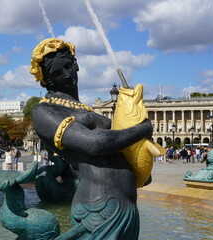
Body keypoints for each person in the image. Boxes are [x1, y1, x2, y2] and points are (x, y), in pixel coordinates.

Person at [30, 38, 153, 239]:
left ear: (76, 65)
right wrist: (142, 129)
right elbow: (93, 144)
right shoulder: (45, 111)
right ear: (48, 80)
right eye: (58, 73)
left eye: (69, 66)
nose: (68, 75)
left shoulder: (84, 108)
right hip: (98, 207)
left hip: (126, 205)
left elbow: (118, 146)